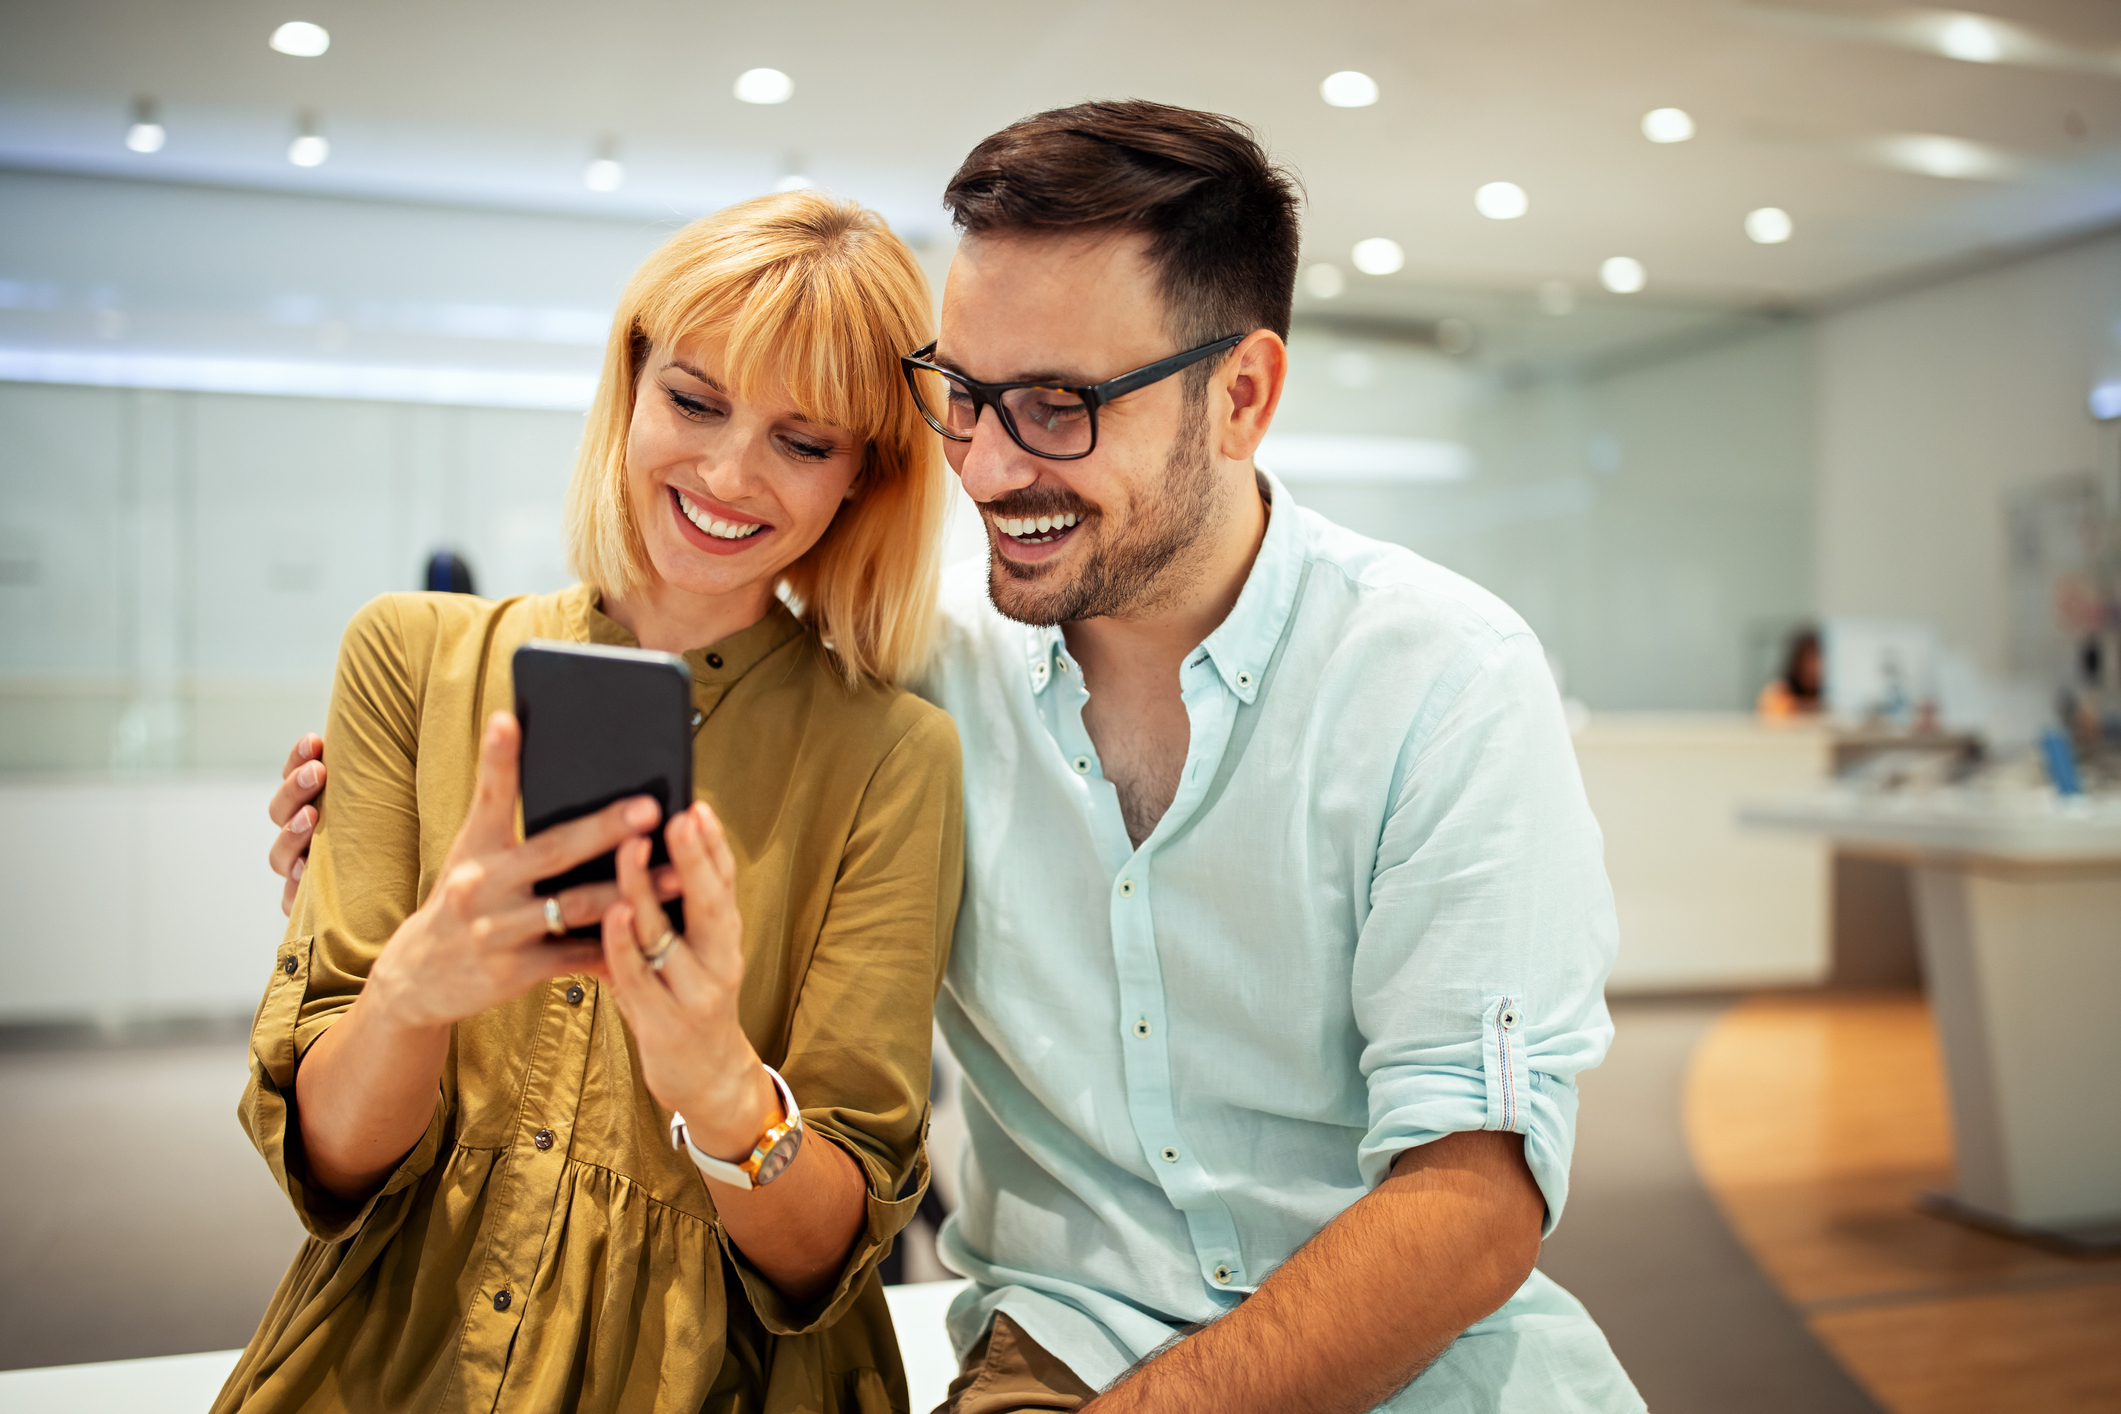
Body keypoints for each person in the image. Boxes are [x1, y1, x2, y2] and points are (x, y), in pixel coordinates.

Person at [273, 102, 1642, 1412]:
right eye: (965, 396)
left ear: (1241, 395)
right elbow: (715, 651)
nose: (984, 468)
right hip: (1065, 1346)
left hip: (1430, 1364)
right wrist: (383, 836)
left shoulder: (1442, 680)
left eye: (1057, 404)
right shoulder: (915, 685)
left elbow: (1470, 1205)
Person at [226, 191, 964, 1414]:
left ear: (863, 475)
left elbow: (822, 1257)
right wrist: (413, 992)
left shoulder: (892, 755)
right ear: (630, 382)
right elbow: (330, 1167)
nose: (727, 474)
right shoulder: (411, 659)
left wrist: (717, 1080)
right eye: (696, 401)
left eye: (803, 441)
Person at [1756, 625, 1823, 719]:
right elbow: (1776, 716)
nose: (1815, 670)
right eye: (1809, 664)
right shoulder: (1777, 690)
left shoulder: (1826, 694)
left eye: (1818, 663)